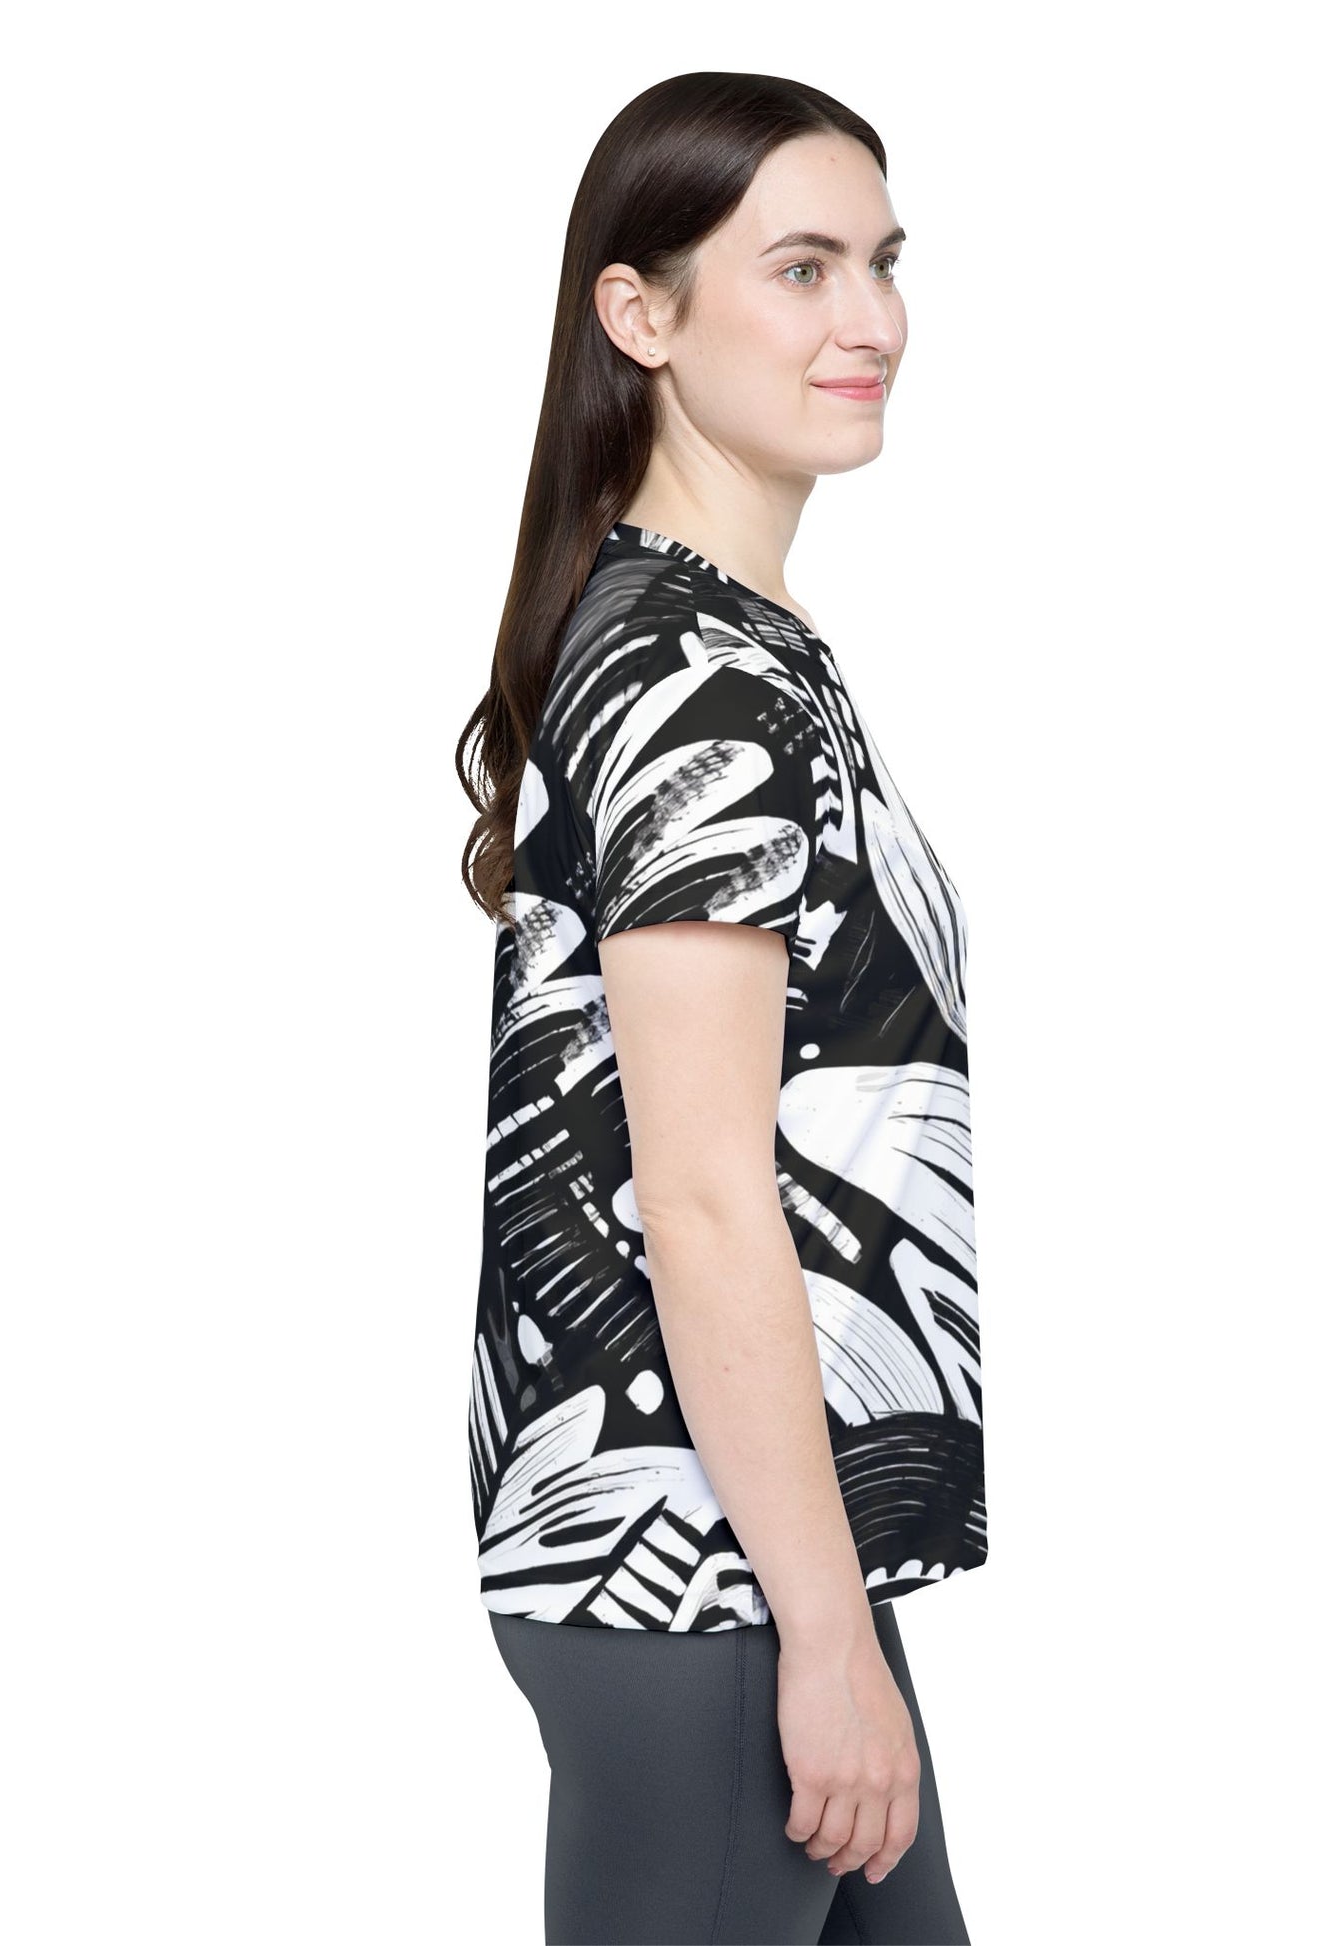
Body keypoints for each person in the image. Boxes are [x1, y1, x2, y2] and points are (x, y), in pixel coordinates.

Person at [456, 71, 984, 1946]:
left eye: (885, 263)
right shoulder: (694, 672)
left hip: (759, 1552)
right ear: (642, 314)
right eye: (802, 267)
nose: (871, 319)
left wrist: (833, 1612)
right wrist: (823, 1636)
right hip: (699, 1575)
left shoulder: (726, 638)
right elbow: (694, 1194)